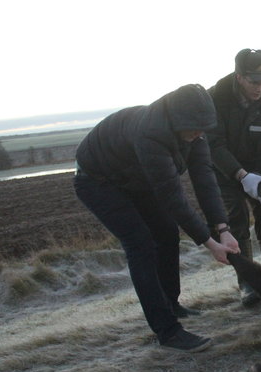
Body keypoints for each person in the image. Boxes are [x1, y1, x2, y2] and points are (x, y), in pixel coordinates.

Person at [74, 84, 239, 352]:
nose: (199, 133)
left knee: (166, 231)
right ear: (177, 119)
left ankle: (171, 304)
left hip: (134, 178)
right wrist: (210, 244)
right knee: (141, 244)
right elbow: (172, 198)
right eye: (194, 127)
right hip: (97, 181)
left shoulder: (194, 133)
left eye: (204, 128)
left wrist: (222, 228)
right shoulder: (151, 133)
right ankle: (168, 331)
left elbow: (204, 179)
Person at [206, 48, 261, 307]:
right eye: (254, 81)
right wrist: (241, 176)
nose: (260, 87)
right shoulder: (214, 100)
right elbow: (214, 145)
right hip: (221, 169)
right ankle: (248, 284)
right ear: (239, 77)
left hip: (255, 168)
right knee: (236, 216)